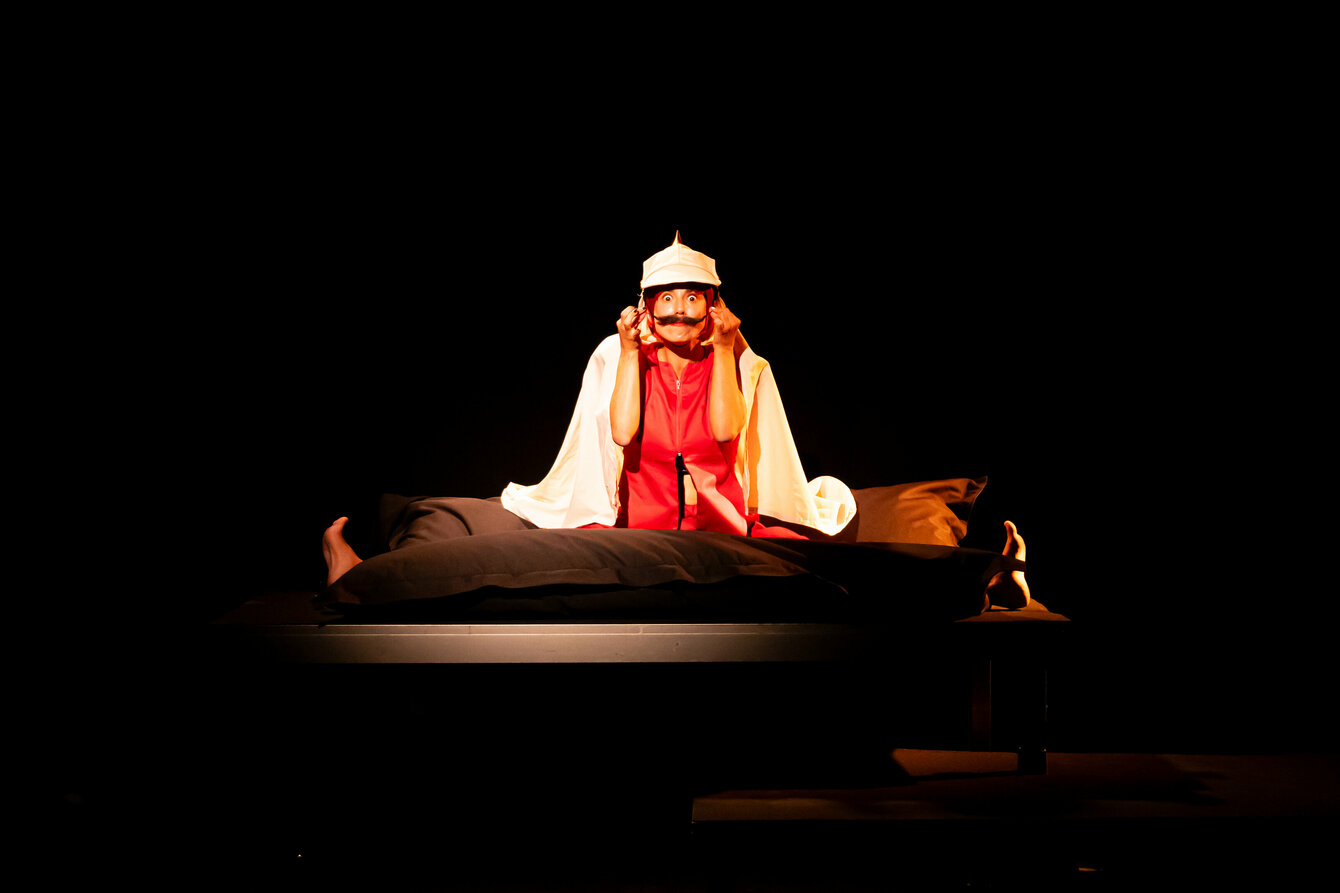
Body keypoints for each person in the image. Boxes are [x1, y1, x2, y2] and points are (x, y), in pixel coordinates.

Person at [321, 234, 1029, 608]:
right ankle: (359, 572)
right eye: (666, 299)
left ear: (713, 306)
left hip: (728, 533)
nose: (680, 311)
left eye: (694, 299)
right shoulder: (617, 355)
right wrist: (631, 352)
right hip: (630, 531)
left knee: (850, 564)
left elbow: (724, 434)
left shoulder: (742, 361)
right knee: (474, 530)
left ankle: (991, 579)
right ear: (645, 306)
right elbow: (622, 434)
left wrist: (725, 350)